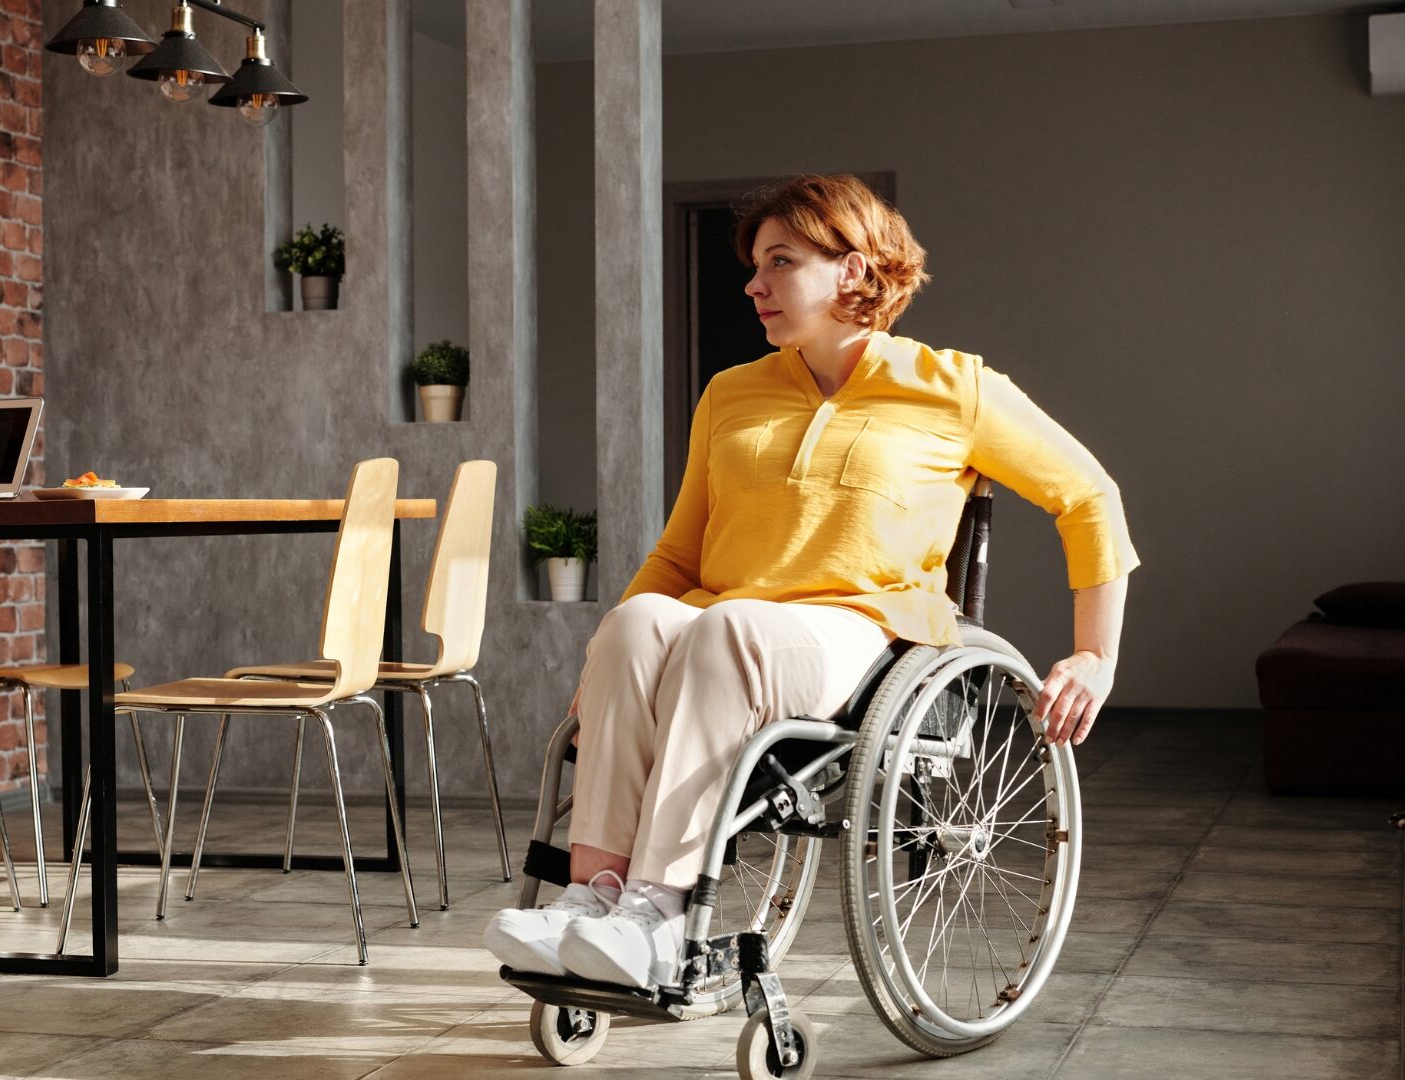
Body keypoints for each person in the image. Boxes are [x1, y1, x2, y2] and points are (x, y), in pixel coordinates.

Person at [485, 174, 1139, 990]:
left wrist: (1095, 656)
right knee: (635, 623)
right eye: (755, 264)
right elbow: (679, 555)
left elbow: (1088, 496)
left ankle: (658, 912)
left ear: (854, 272)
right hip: (724, 625)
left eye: (781, 261)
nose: (754, 284)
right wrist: (605, 655)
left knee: (728, 630)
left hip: (859, 636)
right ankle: (592, 899)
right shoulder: (731, 394)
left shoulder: (954, 388)